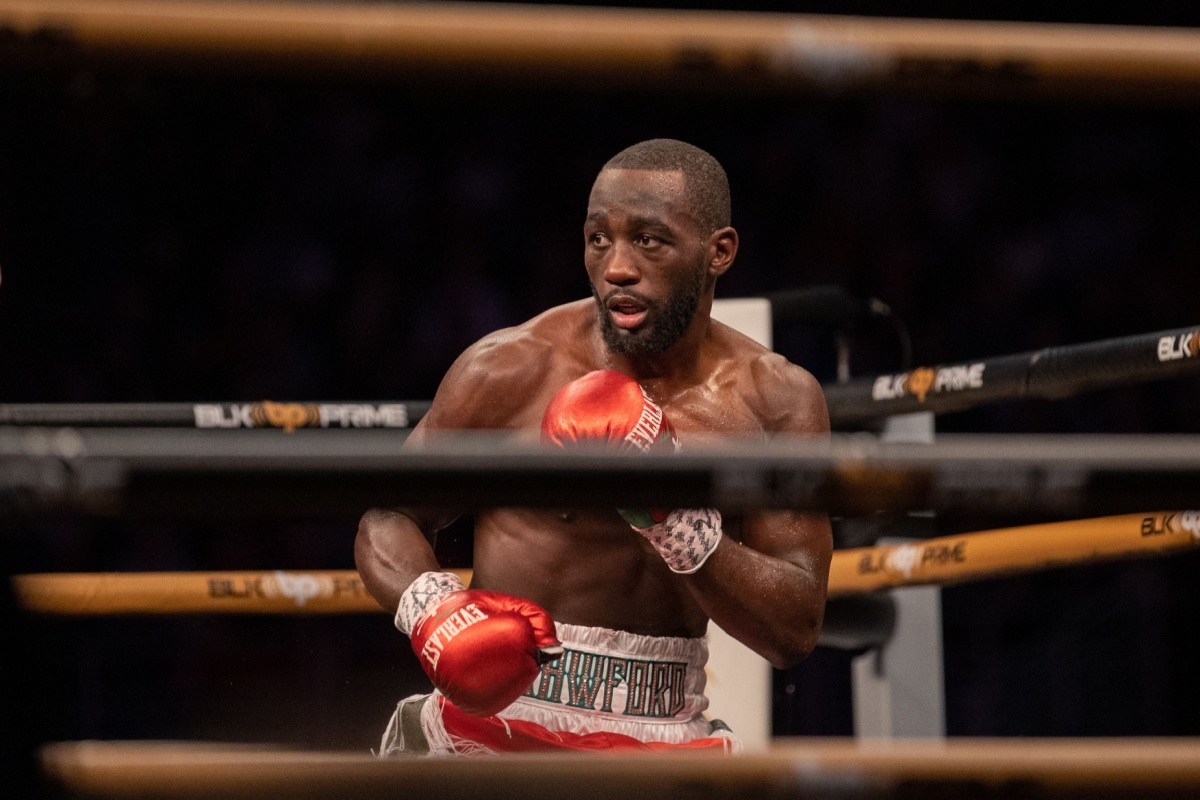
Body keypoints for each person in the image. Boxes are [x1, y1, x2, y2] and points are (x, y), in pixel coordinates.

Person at [355, 139, 832, 755]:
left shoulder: (775, 400)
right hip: (494, 725)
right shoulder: (514, 367)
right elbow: (388, 515)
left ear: (719, 252)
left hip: (665, 734)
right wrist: (435, 611)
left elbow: (794, 628)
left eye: (650, 241)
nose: (617, 268)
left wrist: (677, 522)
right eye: (598, 239)